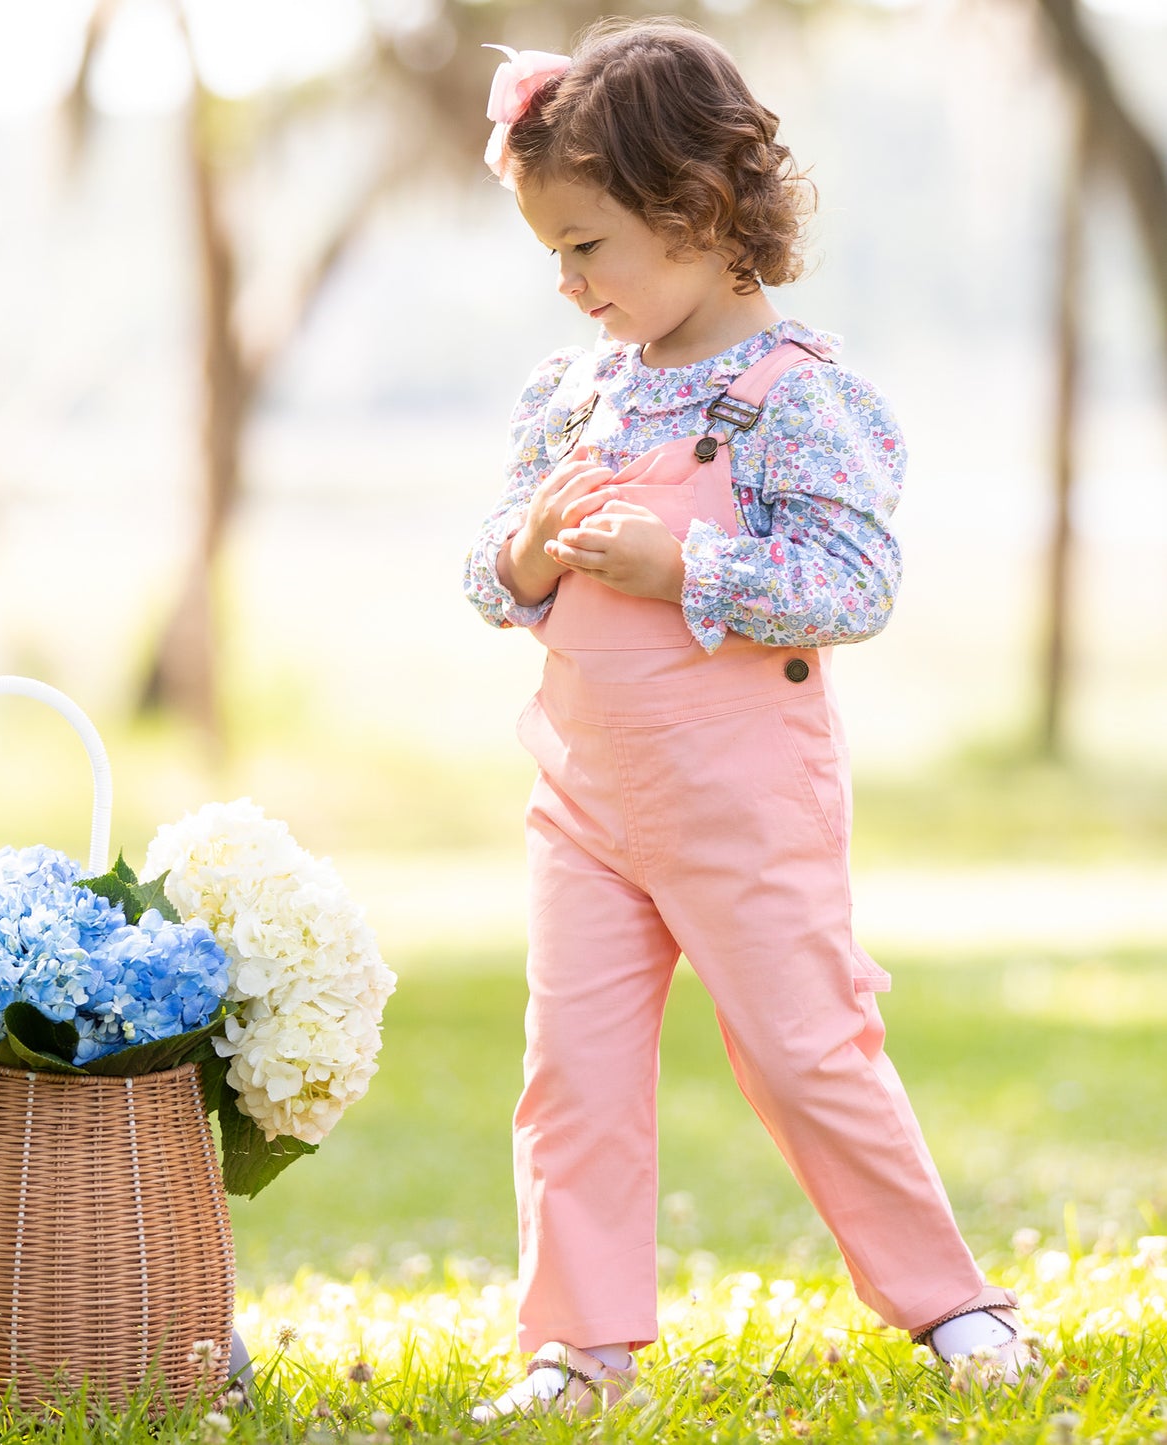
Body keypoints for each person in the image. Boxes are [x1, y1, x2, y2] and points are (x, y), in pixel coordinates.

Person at [463, 18, 1035, 1419]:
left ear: (695, 212)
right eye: (551, 249)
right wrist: (527, 555)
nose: (566, 279)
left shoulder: (792, 399)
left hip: (742, 803)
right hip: (584, 798)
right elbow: (487, 569)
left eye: (586, 244)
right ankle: (579, 1339)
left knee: (801, 1050)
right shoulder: (577, 394)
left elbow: (852, 583)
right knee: (573, 1074)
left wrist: (687, 569)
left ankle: (949, 1300)